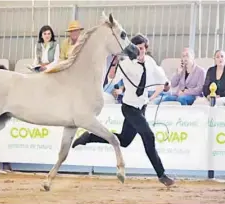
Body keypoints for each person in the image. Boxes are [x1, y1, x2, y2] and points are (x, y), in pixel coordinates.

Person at [72, 34, 174, 187]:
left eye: (143, 48)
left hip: (141, 108)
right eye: (137, 48)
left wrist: (166, 85)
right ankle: (161, 174)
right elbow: (112, 80)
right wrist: (114, 65)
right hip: (129, 108)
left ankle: (89, 137)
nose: (141, 51)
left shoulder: (151, 62)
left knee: (124, 141)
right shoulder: (126, 64)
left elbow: (163, 79)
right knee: (149, 136)